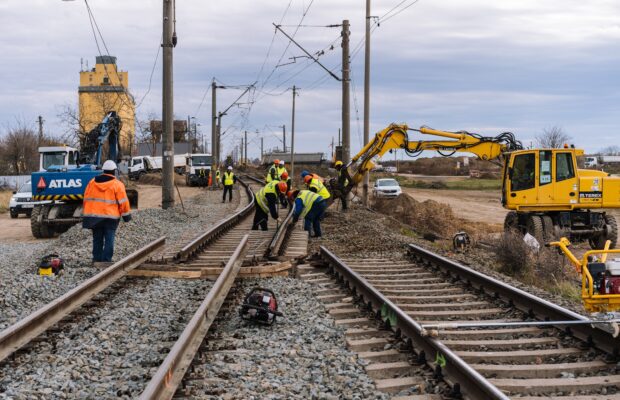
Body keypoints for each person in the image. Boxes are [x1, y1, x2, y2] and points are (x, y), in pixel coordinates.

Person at [82, 160, 132, 264]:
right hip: (111, 218)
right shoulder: (117, 185)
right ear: (114, 171)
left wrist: (87, 216)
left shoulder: (92, 183)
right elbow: (123, 202)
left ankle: (96, 259)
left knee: (97, 239)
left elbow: (86, 199)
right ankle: (106, 260)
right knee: (109, 239)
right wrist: (126, 216)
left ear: (103, 170)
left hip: (95, 217)